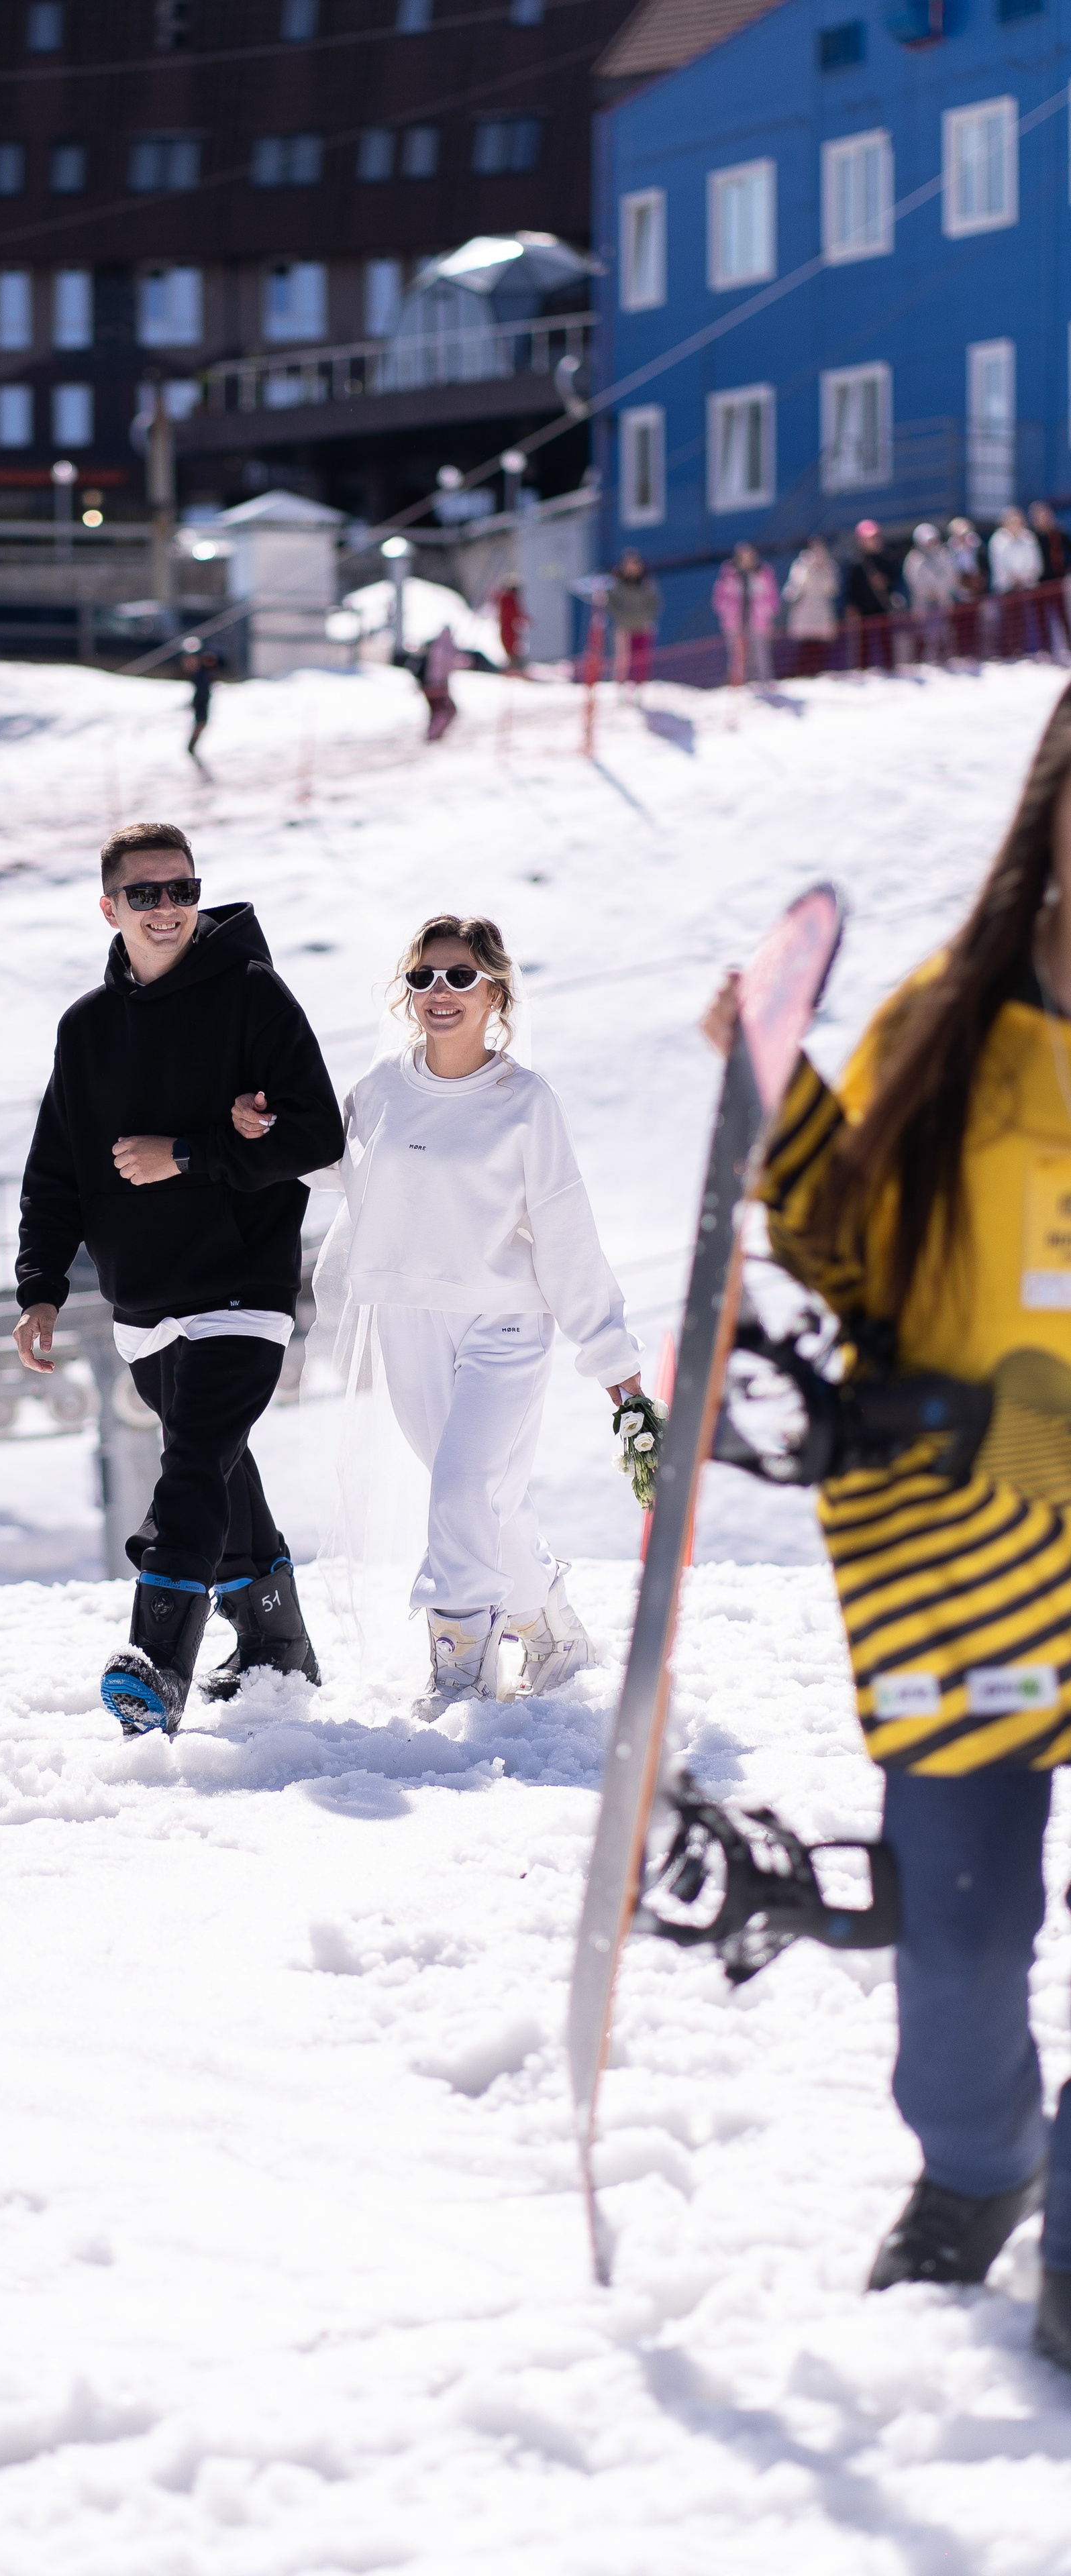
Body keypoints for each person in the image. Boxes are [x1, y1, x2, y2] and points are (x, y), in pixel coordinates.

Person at [705, 682, 1071, 2373]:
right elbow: (849, 1252)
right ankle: (982, 2163)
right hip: (969, 1578)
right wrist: (772, 1099)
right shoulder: (946, 1024)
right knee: (960, 1955)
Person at [14, 821, 344, 1733]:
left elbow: (318, 1137)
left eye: (182, 890)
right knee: (221, 1470)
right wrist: (39, 1285)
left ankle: (159, 1664)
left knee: (191, 1465)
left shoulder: (253, 997)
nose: (167, 910)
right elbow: (57, 1168)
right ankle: (280, 1647)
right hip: (145, 1300)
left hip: (244, 1286)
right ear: (110, 906)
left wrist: (192, 1156)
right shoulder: (86, 1028)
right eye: (146, 894)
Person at [272, 915, 640, 1717]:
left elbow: (567, 1233)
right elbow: (337, 1167)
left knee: (462, 1486)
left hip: (505, 1324)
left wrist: (615, 1362)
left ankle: (463, 1672)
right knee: (482, 1495)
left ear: (495, 992)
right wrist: (266, 1133)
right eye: (424, 978)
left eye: (459, 977)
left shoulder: (523, 1101)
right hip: (409, 1320)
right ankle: (549, 1624)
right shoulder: (379, 1089)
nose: (440, 993)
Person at [712, 542, 778, 686]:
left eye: (750, 556)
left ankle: (765, 684)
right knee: (737, 656)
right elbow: (719, 600)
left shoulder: (764, 573)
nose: (748, 559)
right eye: (744, 556)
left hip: (758, 622)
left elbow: (773, 598)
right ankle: (740, 684)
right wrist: (728, 611)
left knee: (761, 655)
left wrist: (766, 611)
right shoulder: (729, 575)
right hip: (735, 623)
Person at [842, 520, 901, 672]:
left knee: (886, 638)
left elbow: (897, 579)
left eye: (875, 537)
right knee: (864, 642)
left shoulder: (886, 557)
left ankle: (890, 668)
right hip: (863, 608)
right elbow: (850, 586)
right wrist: (851, 605)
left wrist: (885, 583)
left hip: (882, 606)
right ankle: (863, 669)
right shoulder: (855, 560)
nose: (873, 541)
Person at [988, 506, 1043, 661]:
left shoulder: (1029, 538)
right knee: (1007, 620)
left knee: (1024, 619)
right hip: (1006, 587)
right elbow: (998, 564)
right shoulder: (998, 540)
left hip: (1025, 586)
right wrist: (1013, 577)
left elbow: (1034, 562)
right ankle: (1006, 651)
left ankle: (1022, 648)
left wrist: (1024, 577)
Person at [782, 536, 840, 680]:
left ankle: (819, 673)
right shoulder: (801, 565)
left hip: (821, 613)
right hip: (805, 613)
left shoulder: (829, 566)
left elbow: (832, 589)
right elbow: (796, 588)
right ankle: (804, 675)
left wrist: (824, 570)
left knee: (821, 647)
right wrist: (810, 570)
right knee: (806, 647)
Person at [903, 523, 958, 667]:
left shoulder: (944, 555)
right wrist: (928, 593)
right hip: (925, 603)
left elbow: (951, 576)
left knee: (946, 631)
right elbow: (913, 581)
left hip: (942, 600)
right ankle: (929, 659)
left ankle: (947, 656)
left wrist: (941, 592)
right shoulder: (914, 559)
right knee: (927, 634)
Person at [606, 551, 660, 696]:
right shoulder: (617, 584)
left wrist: (644, 618)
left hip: (643, 627)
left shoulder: (647, 583)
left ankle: (639, 691)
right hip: (624, 628)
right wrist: (624, 618)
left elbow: (655, 604)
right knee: (623, 661)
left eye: (635, 564)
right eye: (629, 564)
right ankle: (621, 692)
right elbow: (611, 605)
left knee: (641, 660)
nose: (632, 568)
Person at [1029, 501, 1069, 659]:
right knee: (1041, 616)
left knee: (1062, 615)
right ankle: (1046, 648)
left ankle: (1068, 647)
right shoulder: (1033, 537)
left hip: (1058, 582)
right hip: (1039, 583)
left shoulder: (1060, 534)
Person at [946, 517, 986, 663]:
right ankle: (961, 653)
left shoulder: (978, 547)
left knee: (977, 623)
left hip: (976, 592)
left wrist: (979, 581)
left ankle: (976, 652)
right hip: (958, 594)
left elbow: (983, 567)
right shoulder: (950, 550)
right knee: (959, 626)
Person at [421, 624, 468, 741]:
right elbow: (447, 665)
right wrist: (465, 662)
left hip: (430, 685)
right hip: (438, 685)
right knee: (447, 710)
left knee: (438, 711)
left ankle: (434, 733)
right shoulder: (445, 649)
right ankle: (434, 734)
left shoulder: (436, 646)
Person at [183, 643, 219, 767]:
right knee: (191, 747)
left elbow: (203, 695)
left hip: (202, 714)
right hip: (201, 713)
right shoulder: (199, 675)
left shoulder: (202, 676)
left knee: (191, 748)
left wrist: (196, 704)